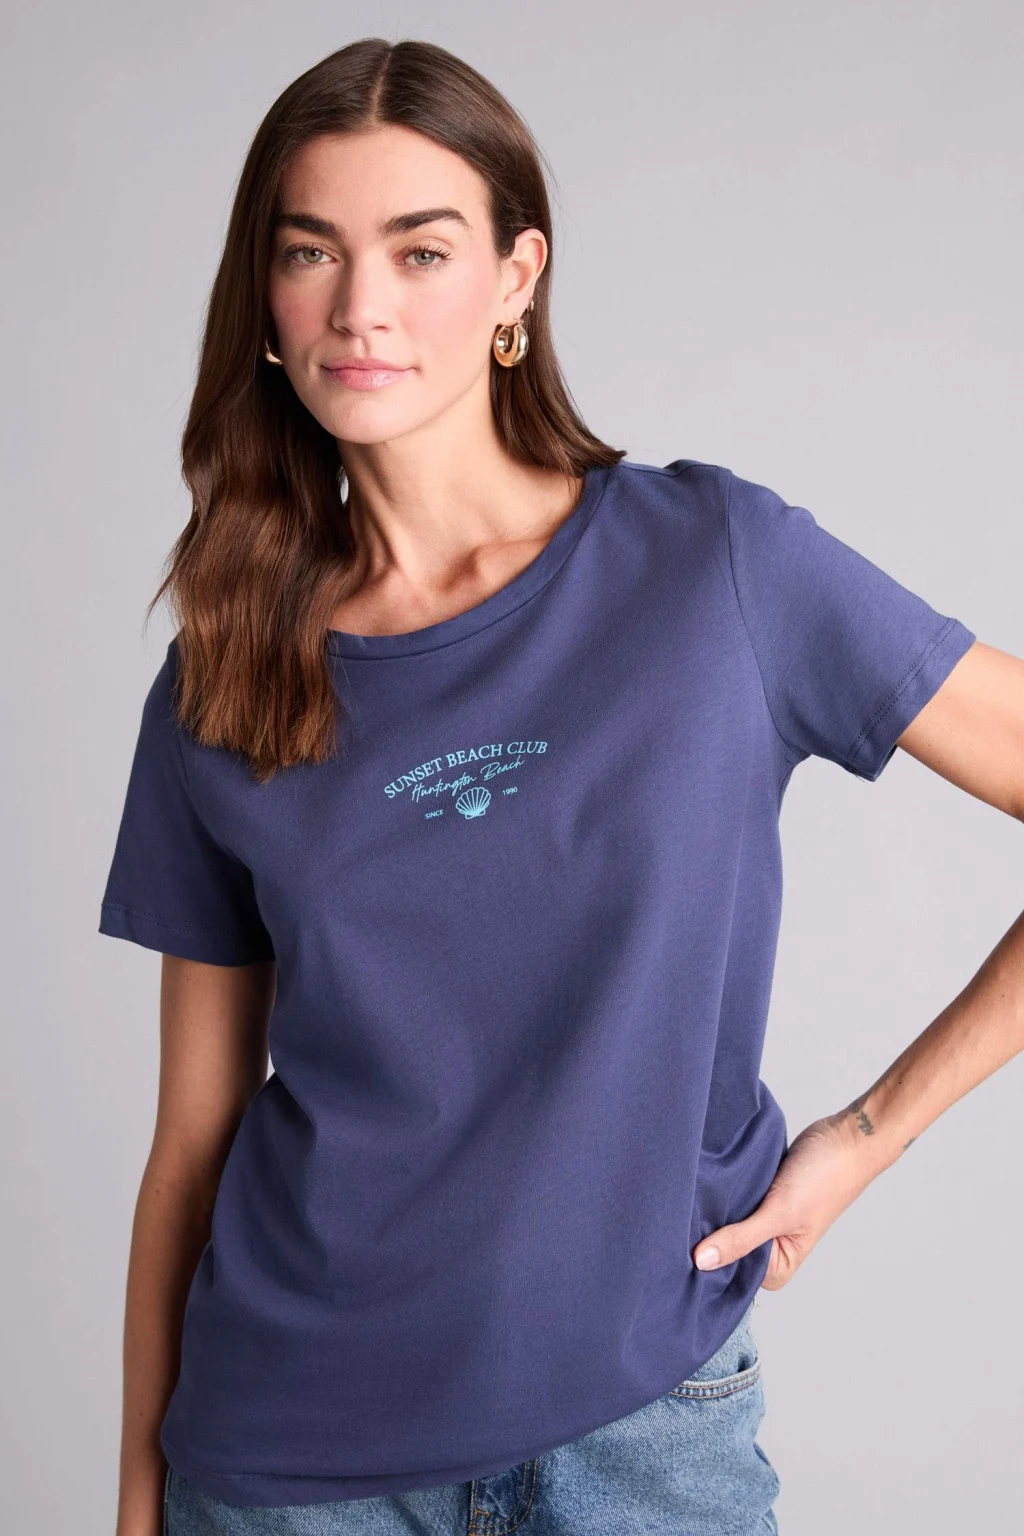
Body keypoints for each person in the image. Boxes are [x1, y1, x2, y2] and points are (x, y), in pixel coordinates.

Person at [97, 36, 1024, 1536]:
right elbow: (190, 1146)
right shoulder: (226, 670)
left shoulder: (715, 567)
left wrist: (864, 1137)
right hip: (289, 1466)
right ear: (263, 303)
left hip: (645, 1445)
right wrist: (138, 1500)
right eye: (311, 251)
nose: (362, 305)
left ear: (516, 280)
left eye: (421, 250)